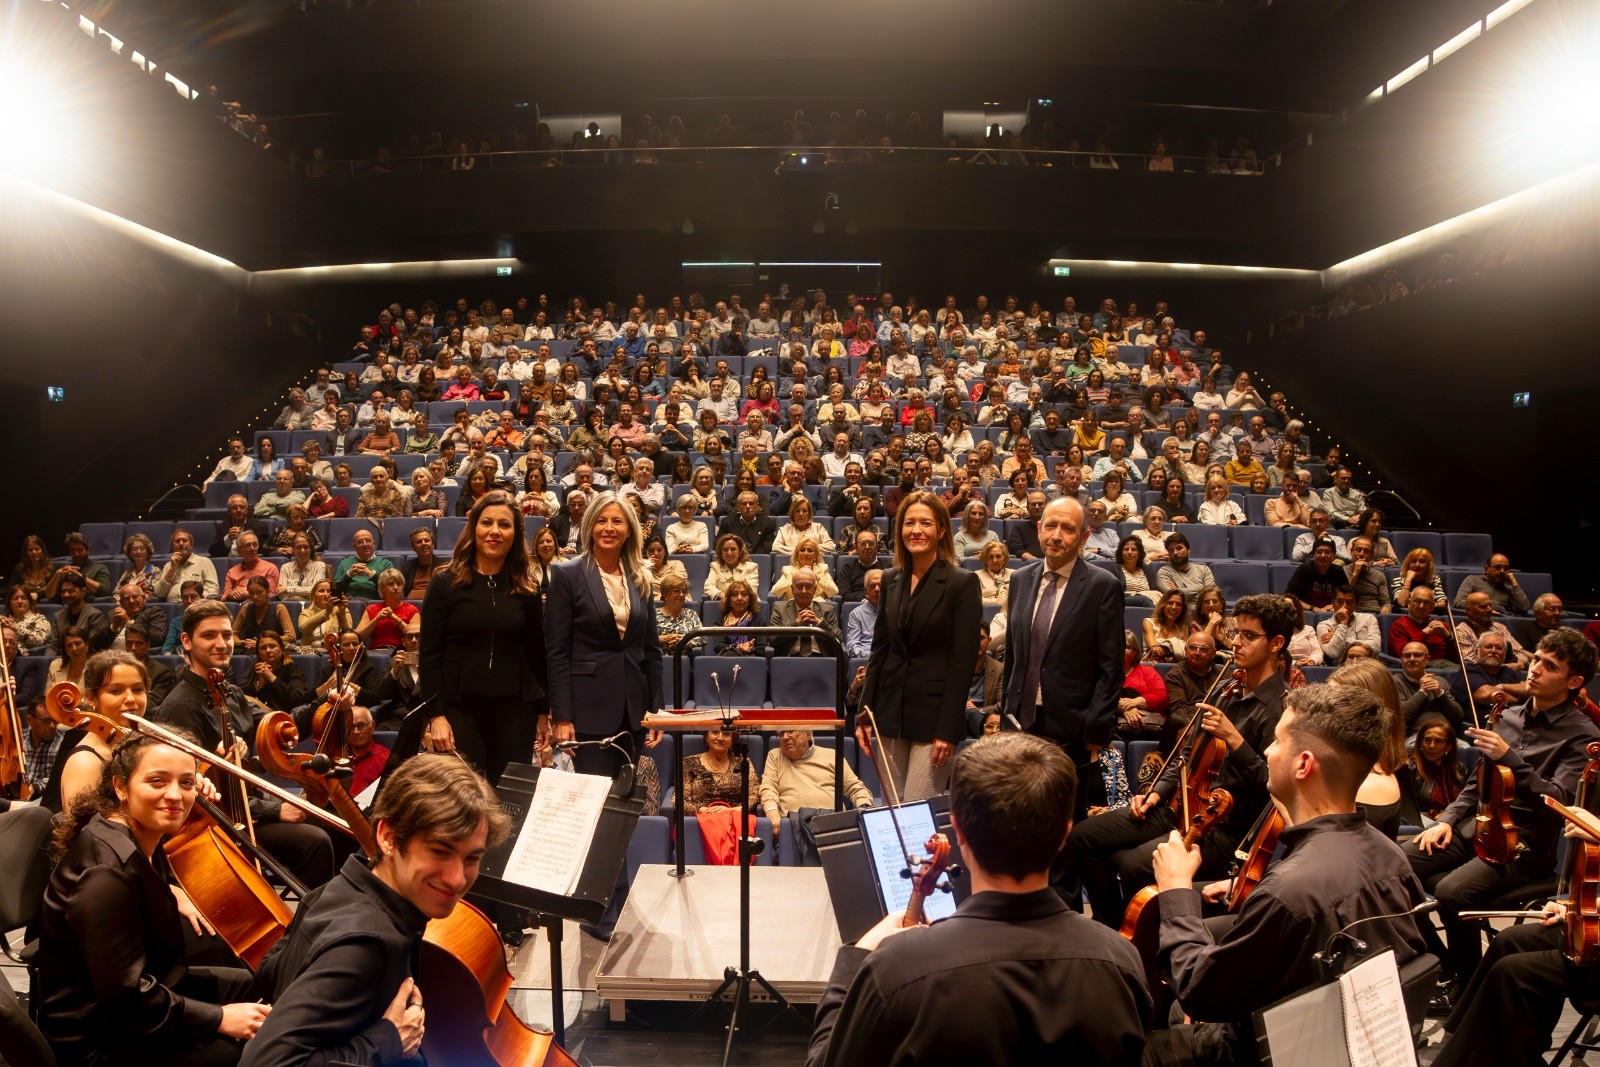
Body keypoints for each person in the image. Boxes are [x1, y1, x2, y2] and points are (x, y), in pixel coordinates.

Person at [806, 732, 1150, 1066]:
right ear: (1064, 834)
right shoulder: (1120, 960)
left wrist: (856, 957)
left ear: (959, 831)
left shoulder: (896, 969)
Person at [1142, 683, 1430, 1066]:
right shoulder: (1391, 855)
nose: (1266, 750)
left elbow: (1200, 993)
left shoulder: (1289, 891)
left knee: (1137, 1047)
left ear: (1303, 764)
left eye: (1277, 741)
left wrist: (1176, 889)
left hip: (1275, 1050)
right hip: (1335, 1035)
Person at [241, 754, 509, 1067]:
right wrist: (388, 1040)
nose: (458, 878)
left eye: (471, 859)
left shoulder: (336, 889)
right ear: (388, 838)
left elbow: (270, 974)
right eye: (440, 851)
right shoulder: (368, 945)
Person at [38, 729, 267, 1067]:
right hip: (100, 1039)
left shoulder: (141, 833)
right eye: (157, 781)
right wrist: (219, 1018)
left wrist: (195, 799)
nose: (175, 795)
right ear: (119, 787)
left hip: (142, 995)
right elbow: (124, 998)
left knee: (258, 983)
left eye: (186, 783)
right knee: (253, 1053)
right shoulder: (106, 875)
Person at [1070, 593, 1294, 926]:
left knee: (1131, 864)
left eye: (1249, 636)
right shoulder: (1227, 690)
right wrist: (1156, 792)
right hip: (1179, 806)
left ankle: (1145, 942)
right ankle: (1114, 928)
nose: (1235, 642)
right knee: (1082, 839)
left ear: (1276, 643)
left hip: (1220, 830)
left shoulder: (1282, 709)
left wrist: (1234, 739)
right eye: (1236, 632)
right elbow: (1188, 753)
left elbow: (1272, 788)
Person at [1405, 628, 1600, 1009]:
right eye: (1536, 659)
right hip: (1473, 827)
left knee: (1448, 890)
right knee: (1395, 866)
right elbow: (1477, 784)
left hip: (1523, 846)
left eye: (1550, 665)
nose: (1535, 669)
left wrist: (1511, 758)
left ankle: (1466, 982)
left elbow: (1558, 801)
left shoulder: (1582, 735)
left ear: (1574, 682)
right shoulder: (1508, 716)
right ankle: (1447, 965)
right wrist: (1446, 819)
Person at [154, 600, 337, 888]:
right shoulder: (180, 707)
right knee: (315, 842)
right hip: (218, 822)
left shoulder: (231, 693)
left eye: (226, 635)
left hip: (246, 805)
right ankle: (308, 927)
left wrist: (326, 704)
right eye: (209, 635)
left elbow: (280, 726)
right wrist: (274, 810)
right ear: (187, 642)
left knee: (333, 818)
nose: (221, 643)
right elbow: (193, 798)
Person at [858, 492, 982, 802]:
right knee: (892, 812)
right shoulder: (889, 579)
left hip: (934, 719)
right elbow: (880, 651)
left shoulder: (961, 582)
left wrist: (949, 729)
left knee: (916, 815)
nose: (916, 530)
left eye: (925, 523)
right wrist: (864, 713)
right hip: (888, 713)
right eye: (909, 522)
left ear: (941, 530)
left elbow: (962, 663)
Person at [417, 491, 546, 787]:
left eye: (504, 525)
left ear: (515, 533)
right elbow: (429, 655)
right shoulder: (444, 581)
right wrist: (435, 716)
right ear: (474, 527)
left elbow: (536, 652)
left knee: (511, 803)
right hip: (459, 709)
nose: (494, 532)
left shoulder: (527, 586)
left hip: (515, 711)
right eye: (487, 522)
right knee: (464, 802)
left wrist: (542, 711)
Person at [545, 491, 664, 781]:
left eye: (617, 521)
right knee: (595, 803)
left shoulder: (641, 577)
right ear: (589, 527)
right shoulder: (566, 574)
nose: (609, 528)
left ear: (629, 530)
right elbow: (557, 651)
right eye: (601, 521)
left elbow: (651, 650)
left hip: (633, 711)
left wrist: (656, 709)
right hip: (588, 709)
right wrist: (561, 716)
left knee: (624, 805)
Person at [761, 728, 874, 863]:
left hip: (832, 825)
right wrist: (771, 811)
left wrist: (864, 808)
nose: (785, 737)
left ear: (808, 734)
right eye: (781, 733)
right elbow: (769, 787)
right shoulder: (775, 756)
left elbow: (855, 788)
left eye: (791, 731)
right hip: (793, 829)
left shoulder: (831, 755)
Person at [770, 569, 843, 657]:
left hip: (821, 659)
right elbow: (773, 640)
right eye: (799, 586)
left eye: (808, 586)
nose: (804, 591)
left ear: (815, 589)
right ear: (793, 589)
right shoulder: (780, 609)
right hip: (790, 659)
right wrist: (795, 624)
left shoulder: (827, 609)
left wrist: (819, 622)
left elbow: (838, 639)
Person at [1316, 585, 1381, 664]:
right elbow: (1333, 653)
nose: (1344, 606)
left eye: (1349, 602)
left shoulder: (1369, 619)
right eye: (1340, 601)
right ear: (1333, 603)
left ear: (1356, 605)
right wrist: (1343, 623)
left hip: (1368, 665)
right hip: (1341, 667)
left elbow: (1376, 647)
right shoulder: (1324, 625)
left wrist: (1344, 640)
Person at [1452, 553, 1530, 616]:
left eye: (1506, 568)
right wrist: (1484, 610)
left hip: (1501, 621)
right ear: (1487, 569)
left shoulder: (1508, 587)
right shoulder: (1473, 580)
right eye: (1497, 567)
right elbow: (1459, 602)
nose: (1502, 571)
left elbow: (1524, 608)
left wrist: (1514, 582)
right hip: (1477, 618)